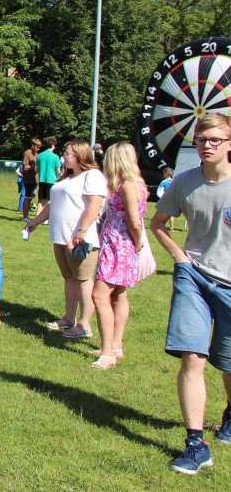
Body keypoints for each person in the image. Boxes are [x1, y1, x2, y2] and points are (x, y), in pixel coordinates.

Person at [150, 112, 231, 474]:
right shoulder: (183, 183)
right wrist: (180, 258)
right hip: (193, 278)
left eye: (215, 140)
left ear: (229, 144)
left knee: (228, 364)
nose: (208, 145)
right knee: (192, 357)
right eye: (202, 140)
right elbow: (158, 223)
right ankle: (196, 444)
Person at [25, 140, 106, 339]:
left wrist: (82, 230)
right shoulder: (66, 177)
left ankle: (84, 325)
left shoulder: (92, 175)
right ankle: (69, 318)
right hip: (61, 238)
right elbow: (54, 205)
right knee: (69, 278)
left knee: (83, 280)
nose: (64, 157)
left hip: (80, 239)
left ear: (80, 156)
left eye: (68, 154)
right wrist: (35, 221)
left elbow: (95, 204)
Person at [89, 142, 147, 370]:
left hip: (119, 246)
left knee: (99, 296)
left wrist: (137, 240)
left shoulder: (127, 186)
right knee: (119, 294)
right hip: (119, 244)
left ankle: (107, 354)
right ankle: (115, 346)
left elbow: (134, 220)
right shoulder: (136, 183)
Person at [37, 136, 62, 217]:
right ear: (53, 145)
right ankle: (46, 218)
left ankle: (38, 215)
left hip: (41, 180)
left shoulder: (40, 155)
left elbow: (36, 168)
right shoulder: (55, 157)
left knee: (41, 200)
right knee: (50, 200)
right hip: (51, 180)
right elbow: (58, 171)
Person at [21, 138, 42, 222]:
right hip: (29, 179)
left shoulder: (37, 154)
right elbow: (25, 168)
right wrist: (34, 165)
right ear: (33, 145)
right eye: (37, 147)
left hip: (35, 180)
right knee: (28, 197)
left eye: (39, 147)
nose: (38, 149)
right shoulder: (27, 153)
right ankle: (25, 217)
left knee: (31, 197)